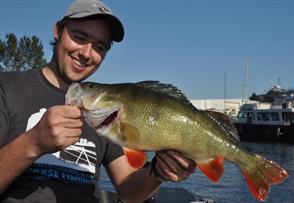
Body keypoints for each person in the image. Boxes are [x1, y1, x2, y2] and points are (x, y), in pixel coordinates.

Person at [0, 0, 196, 202]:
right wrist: (33, 142)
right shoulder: (6, 87)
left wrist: (158, 172)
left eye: (99, 46)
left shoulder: (105, 107)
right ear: (58, 31)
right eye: (79, 37)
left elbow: (129, 193)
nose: (86, 53)